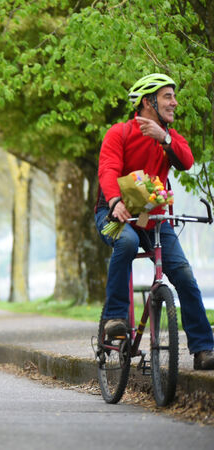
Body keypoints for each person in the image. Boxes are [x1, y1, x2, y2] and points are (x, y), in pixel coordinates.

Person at [95, 73, 214, 370]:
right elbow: (108, 170)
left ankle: (203, 349)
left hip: (155, 218)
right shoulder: (119, 132)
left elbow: (186, 161)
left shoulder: (168, 136)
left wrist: (166, 138)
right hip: (115, 214)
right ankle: (116, 318)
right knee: (127, 241)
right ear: (148, 102)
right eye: (167, 97)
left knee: (184, 275)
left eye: (173, 96)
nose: (174, 102)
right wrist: (115, 201)